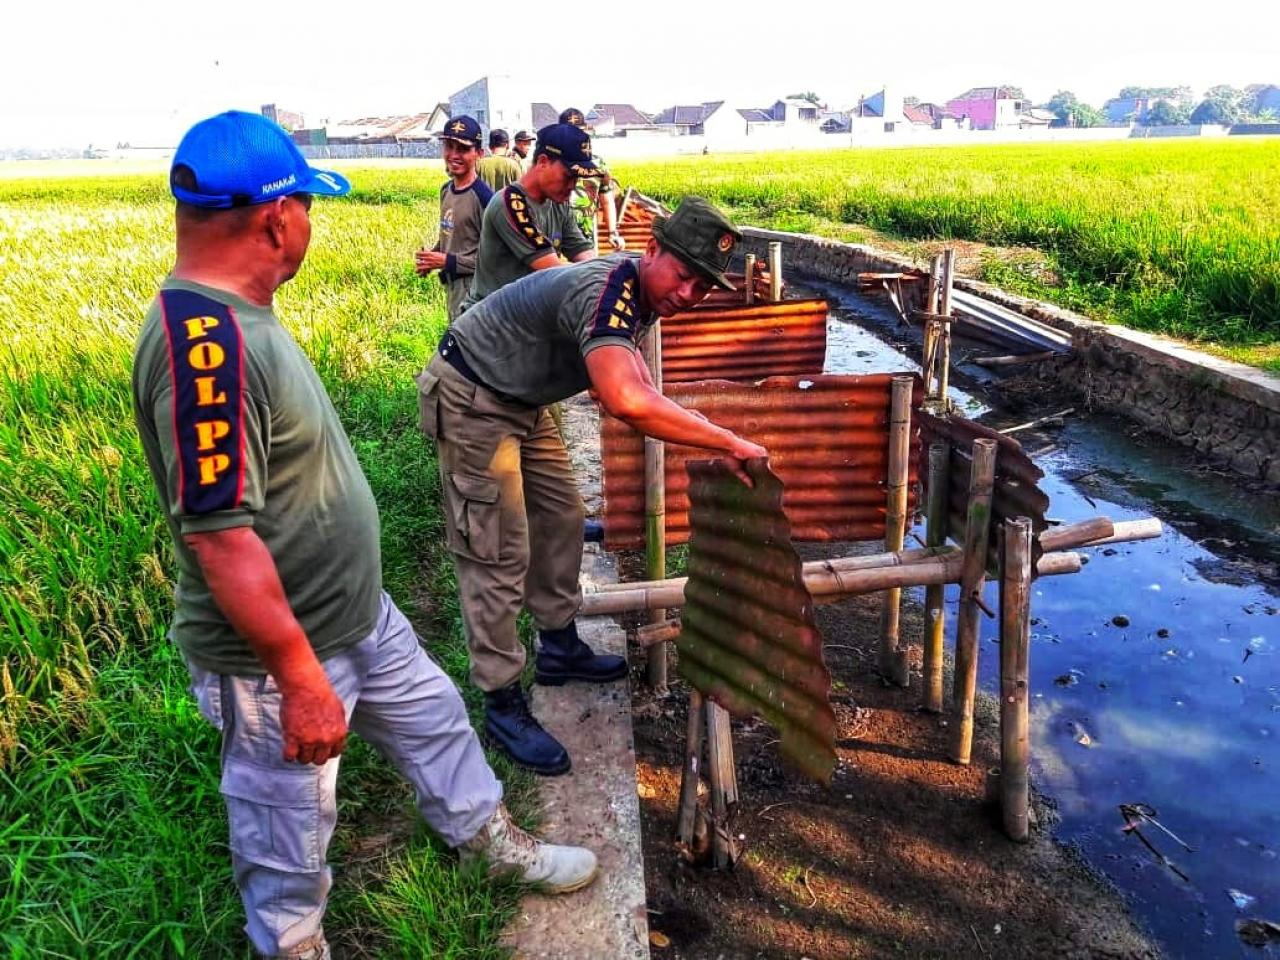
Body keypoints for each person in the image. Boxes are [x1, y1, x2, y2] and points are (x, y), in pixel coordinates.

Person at [132, 110, 598, 960]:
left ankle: (487, 841)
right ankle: (295, 942)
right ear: (277, 216)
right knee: (286, 823)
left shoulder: (240, 314)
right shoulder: (206, 345)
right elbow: (219, 539)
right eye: (308, 205)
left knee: (437, 724)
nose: (309, 223)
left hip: (354, 614)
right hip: (283, 654)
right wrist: (298, 678)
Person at [415, 196, 768, 776]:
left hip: (520, 400)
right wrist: (727, 441)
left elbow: (640, 385)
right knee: (497, 549)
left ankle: (558, 646)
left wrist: (704, 431)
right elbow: (624, 400)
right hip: (473, 394)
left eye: (702, 287)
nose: (687, 294)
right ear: (652, 249)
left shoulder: (640, 295)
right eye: (683, 276)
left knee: (562, 517)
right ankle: (501, 700)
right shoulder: (607, 290)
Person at [459, 122, 598, 312]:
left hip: (523, 316)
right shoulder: (510, 203)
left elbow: (583, 253)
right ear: (543, 162)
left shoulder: (559, 203)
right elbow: (552, 269)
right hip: (488, 320)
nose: (572, 186)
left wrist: (607, 274)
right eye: (568, 176)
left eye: (577, 179)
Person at [414, 115, 492, 321]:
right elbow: (450, 236)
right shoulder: (446, 190)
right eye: (449, 146)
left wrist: (448, 261)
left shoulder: (485, 199)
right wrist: (432, 257)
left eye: (463, 149)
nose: (454, 155)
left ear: (479, 154)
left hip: (476, 295)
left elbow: (496, 261)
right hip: (453, 289)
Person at [559, 107, 624, 254]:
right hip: (554, 239)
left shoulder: (598, 164)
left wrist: (612, 232)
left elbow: (607, 200)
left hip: (585, 238)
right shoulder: (549, 162)